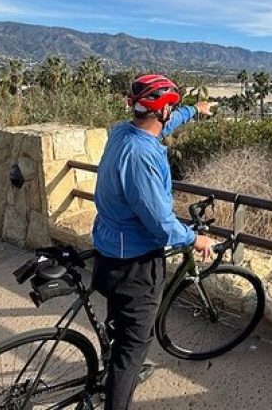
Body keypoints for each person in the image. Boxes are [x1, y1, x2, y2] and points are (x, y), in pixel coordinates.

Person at [91, 73, 214, 410]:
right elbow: (161, 225)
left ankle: (110, 365)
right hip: (134, 266)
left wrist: (194, 110)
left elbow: (164, 127)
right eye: (171, 109)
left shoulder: (122, 132)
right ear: (162, 111)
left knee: (119, 326)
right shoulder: (143, 157)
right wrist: (195, 238)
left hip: (106, 252)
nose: (172, 115)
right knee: (133, 349)